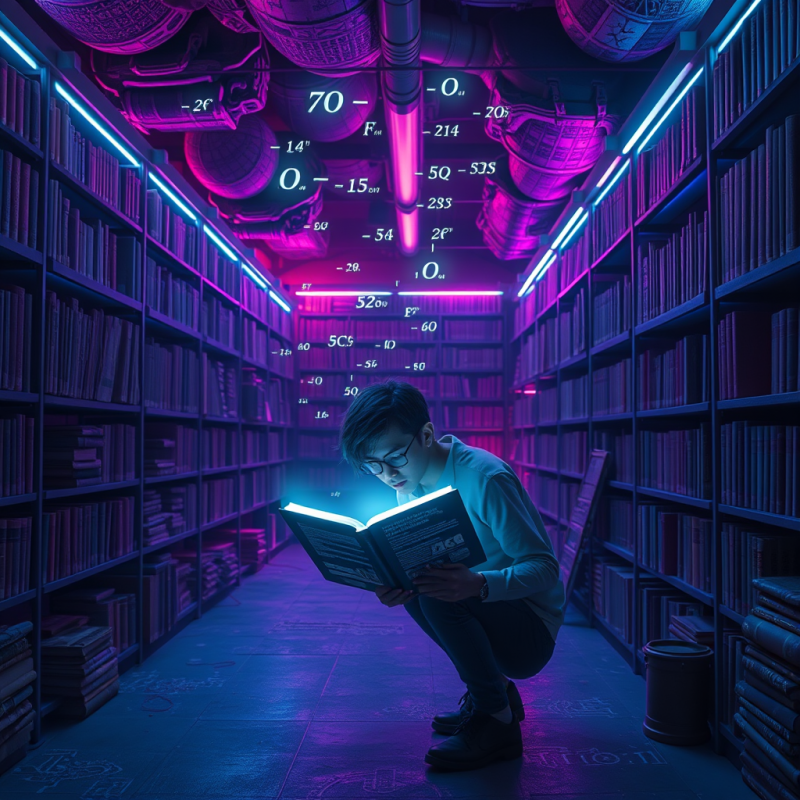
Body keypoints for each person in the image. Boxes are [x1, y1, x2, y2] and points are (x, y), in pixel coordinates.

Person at [338, 379, 565, 772]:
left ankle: (497, 723)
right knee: (421, 590)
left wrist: (477, 584)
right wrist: (393, 581)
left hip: (531, 628)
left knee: (439, 594)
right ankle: (493, 695)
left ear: (426, 434)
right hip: (493, 610)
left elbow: (545, 569)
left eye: (395, 457)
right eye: (373, 466)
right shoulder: (410, 484)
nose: (388, 475)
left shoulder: (484, 478)